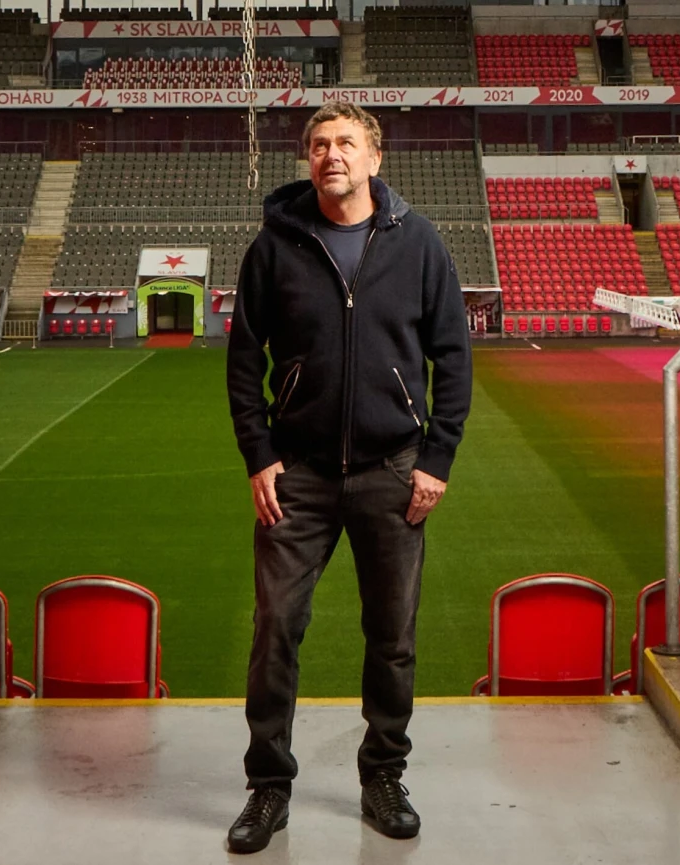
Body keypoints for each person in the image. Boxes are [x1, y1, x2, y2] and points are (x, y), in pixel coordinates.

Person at [224, 101, 473, 854]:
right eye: (320, 144)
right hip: (296, 475)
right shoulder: (274, 246)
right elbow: (243, 361)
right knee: (275, 631)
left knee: (391, 636)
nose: (332, 154)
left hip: (392, 472)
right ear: (309, 161)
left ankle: (383, 774)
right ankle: (268, 787)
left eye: (347, 143)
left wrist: (436, 460)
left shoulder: (420, 242)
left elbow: (453, 357)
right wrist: (259, 453)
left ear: (374, 158)